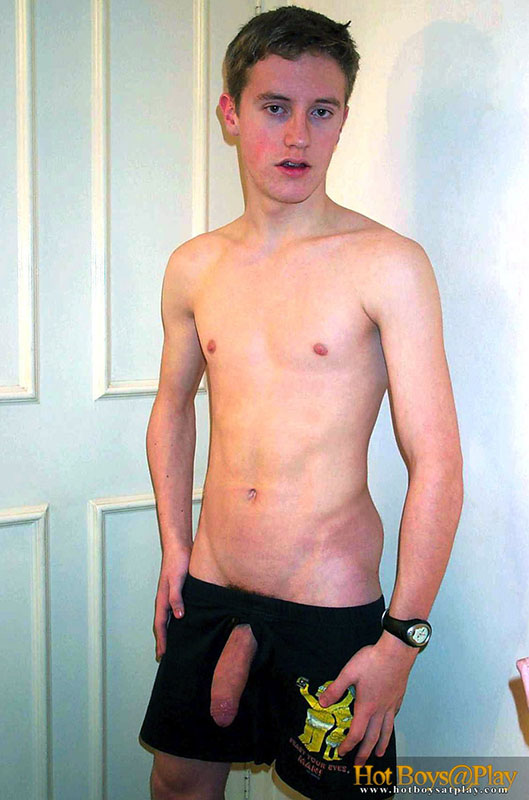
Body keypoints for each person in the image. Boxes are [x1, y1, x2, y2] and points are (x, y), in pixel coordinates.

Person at [139, 6, 464, 800]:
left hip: (329, 599)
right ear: (230, 113)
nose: (296, 136)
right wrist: (174, 545)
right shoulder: (194, 266)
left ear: (343, 119)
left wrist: (401, 643)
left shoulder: (386, 264)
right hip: (210, 583)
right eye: (273, 106)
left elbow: (436, 462)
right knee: (177, 783)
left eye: (321, 111)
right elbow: (173, 408)